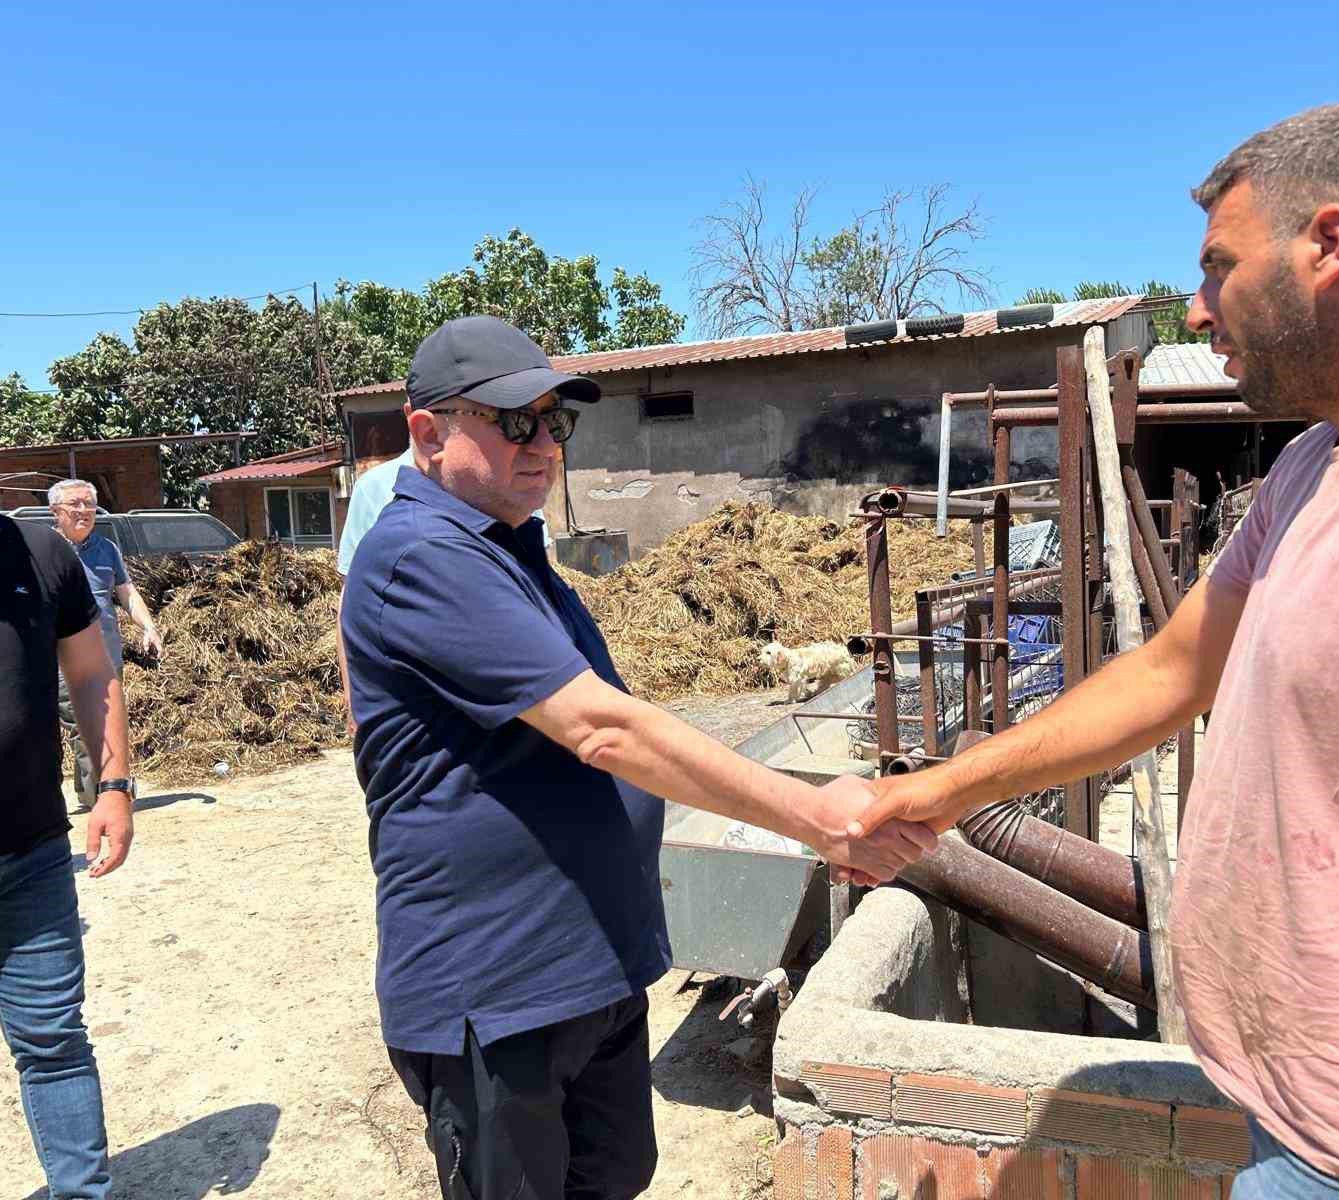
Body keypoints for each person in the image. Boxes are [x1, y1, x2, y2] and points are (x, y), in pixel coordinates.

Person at [848, 103, 1339, 1199]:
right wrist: (938, 788)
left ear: (1330, 245)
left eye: (1219, 268)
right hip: (1311, 1109)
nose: (1200, 310)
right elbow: (1171, 670)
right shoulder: (1317, 464)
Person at [341, 316, 937, 1200]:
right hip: (498, 991)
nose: (545, 445)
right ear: (427, 434)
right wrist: (812, 814)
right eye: (514, 422)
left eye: (556, 422)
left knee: (617, 1178)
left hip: (587, 967)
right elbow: (603, 729)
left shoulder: (511, 550)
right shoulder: (421, 555)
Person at [0, 371, 135, 1199]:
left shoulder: (39, 551)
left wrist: (113, 782)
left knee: (53, 1043)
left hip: (32, 856)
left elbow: (92, 674)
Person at [335, 427, 548, 729]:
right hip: (422, 698)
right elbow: (352, 602)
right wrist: (355, 703)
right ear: (423, 425)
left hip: (513, 674)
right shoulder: (376, 488)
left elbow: (541, 581)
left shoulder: (512, 481)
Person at [49, 478, 163, 809]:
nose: (83, 511)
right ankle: (99, 794)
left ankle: (98, 791)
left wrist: (149, 627)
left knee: (109, 722)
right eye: (75, 504)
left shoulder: (107, 549)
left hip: (107, 655)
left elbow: (127, 594)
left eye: (89, 504)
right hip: (62, 659)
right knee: (83, 726)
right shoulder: (43, 549)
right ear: (56, 510)